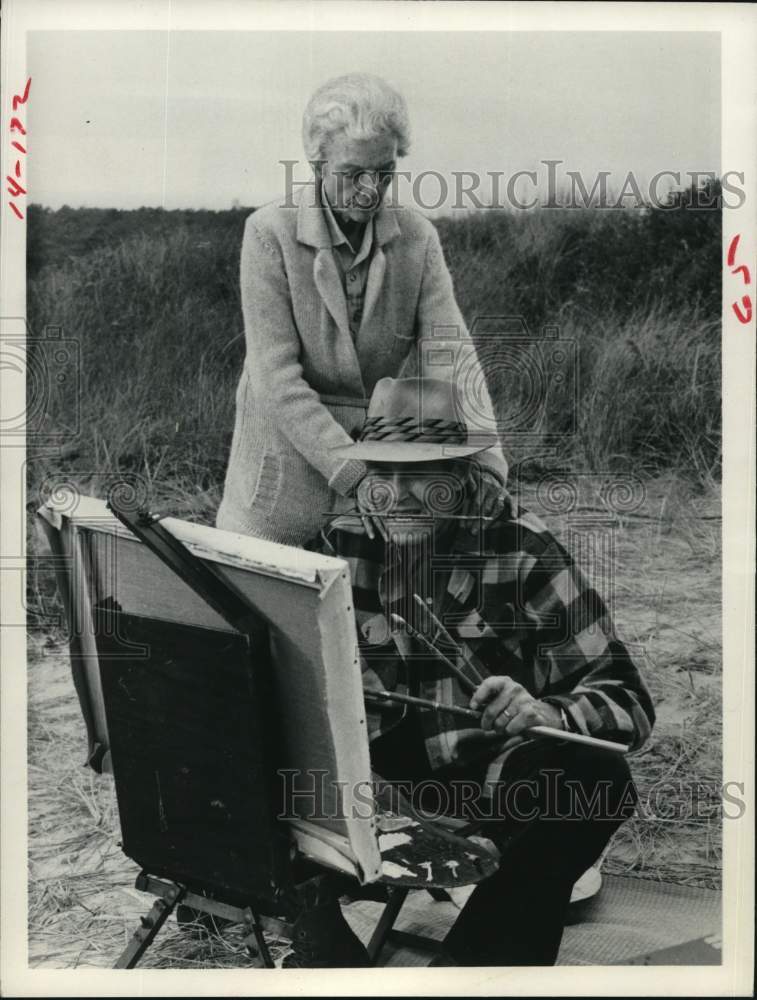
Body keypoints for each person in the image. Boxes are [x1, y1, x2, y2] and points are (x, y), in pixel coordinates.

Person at [286, 375, 655, 968]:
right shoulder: (339, 544)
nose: (398, 494)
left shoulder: (522, 548)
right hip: (369, 787)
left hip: (489, 785)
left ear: (460, 476)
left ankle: (471, 971)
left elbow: (630, 702)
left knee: (596, 778)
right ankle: (328, 953)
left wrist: (543, 711)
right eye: (383, 474)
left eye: (421, 475)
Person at [216, 73, 508, 546]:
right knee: (268, 605)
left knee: (364, 613)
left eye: (385, 172)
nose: (371, 190)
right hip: (282, 477)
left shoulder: (418, 239)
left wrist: (489, 461)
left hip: (378, 484)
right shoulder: (268, 234)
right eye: (353, 174)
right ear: (317, 163)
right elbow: (276, 379)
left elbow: (453, 356)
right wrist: (353, 472)